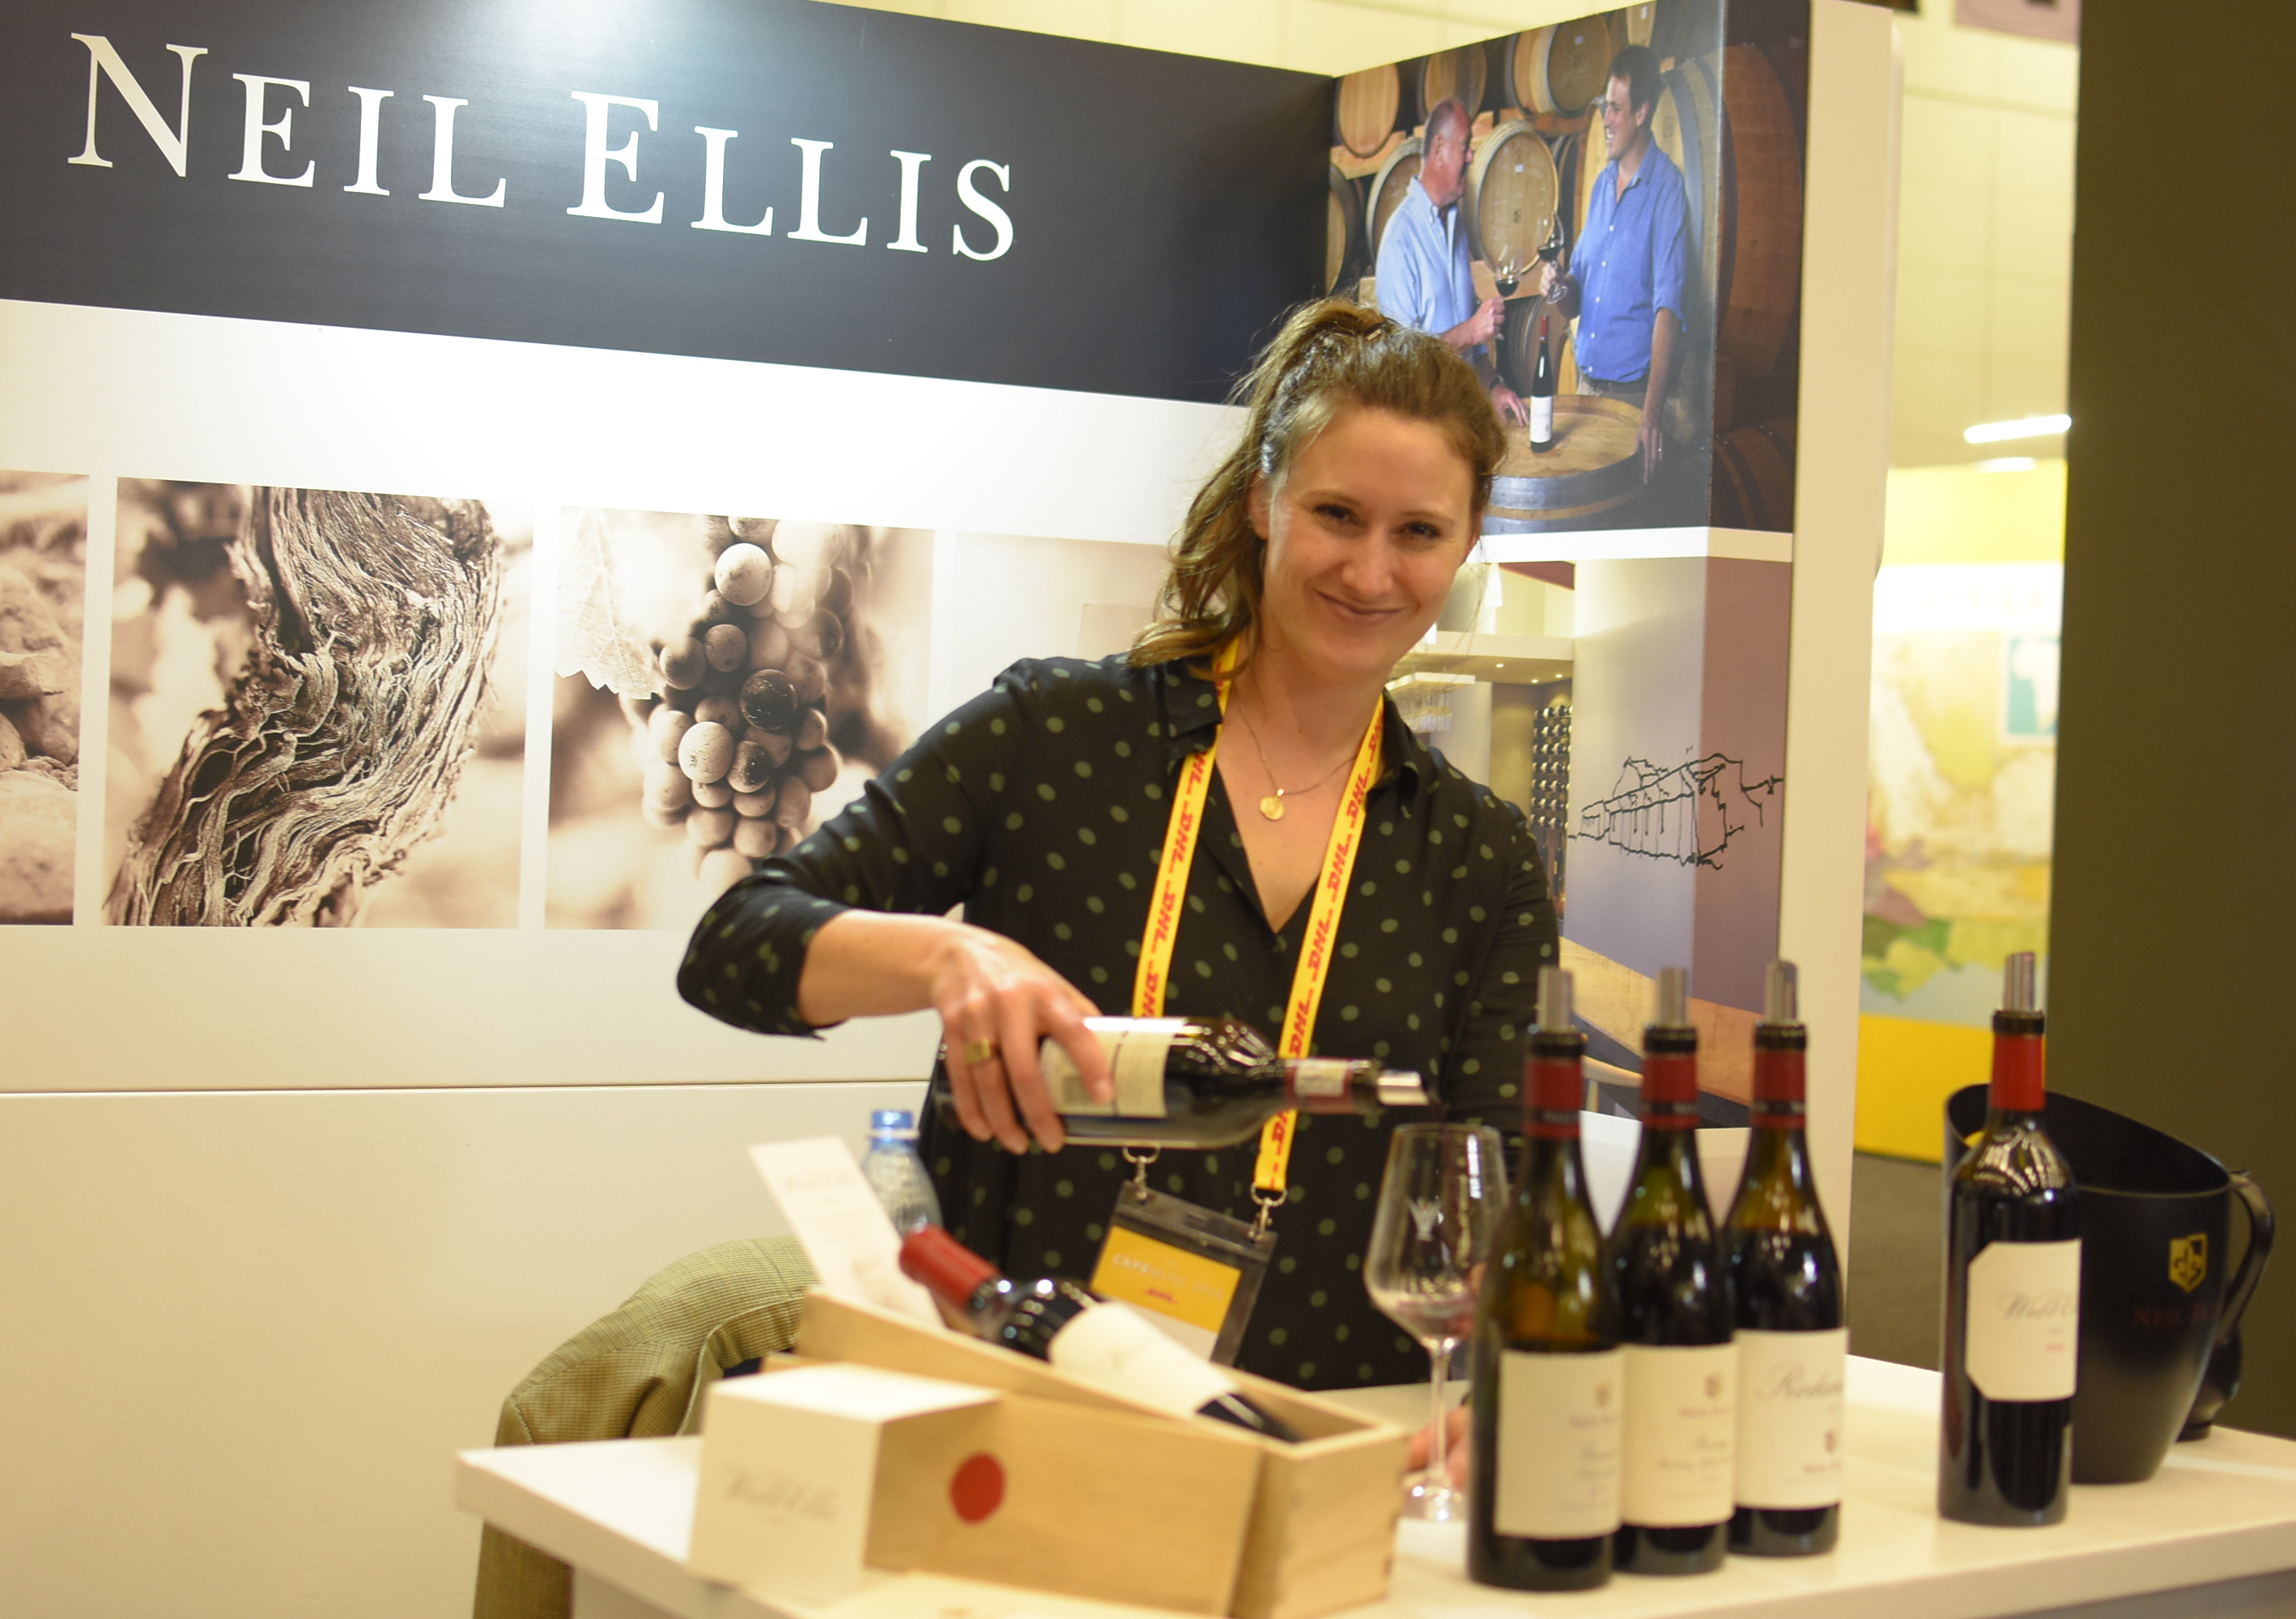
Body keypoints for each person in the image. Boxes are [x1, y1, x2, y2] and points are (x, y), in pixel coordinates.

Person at [678, 300, 1559, 1391]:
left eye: (1418, 532)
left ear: (1467, 542)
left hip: (1324, 1433)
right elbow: (732, 947)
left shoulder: (1479, 857)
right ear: (1264, 502)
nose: (1372, 572)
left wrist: (1500, 1394)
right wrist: (949, 958)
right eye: (1337, 514)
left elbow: (1502, 1183)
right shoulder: (1056, 735)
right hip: (1012, 1412)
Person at [1537, 46, 1690, 481]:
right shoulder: (1602, 185)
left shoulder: (1666, 190)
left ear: (1642, 113)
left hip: (1632, 400)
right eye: (1605, 107)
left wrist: (1650, 417)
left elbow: (1669, 309)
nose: (1605, 120)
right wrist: (1559, 287)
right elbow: (1576, 295)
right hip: (1586, 389)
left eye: (1616, 109)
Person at [1373, 97, 1527, 429]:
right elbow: (1403, 359)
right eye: (1465, 146)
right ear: (1440, 149)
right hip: (1425, 426)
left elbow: (1471, 334)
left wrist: (1493, 385)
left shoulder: (1456, 225)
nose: (1472, 156)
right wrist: (1470, 332)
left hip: (1464, 417)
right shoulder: (1401, 238)